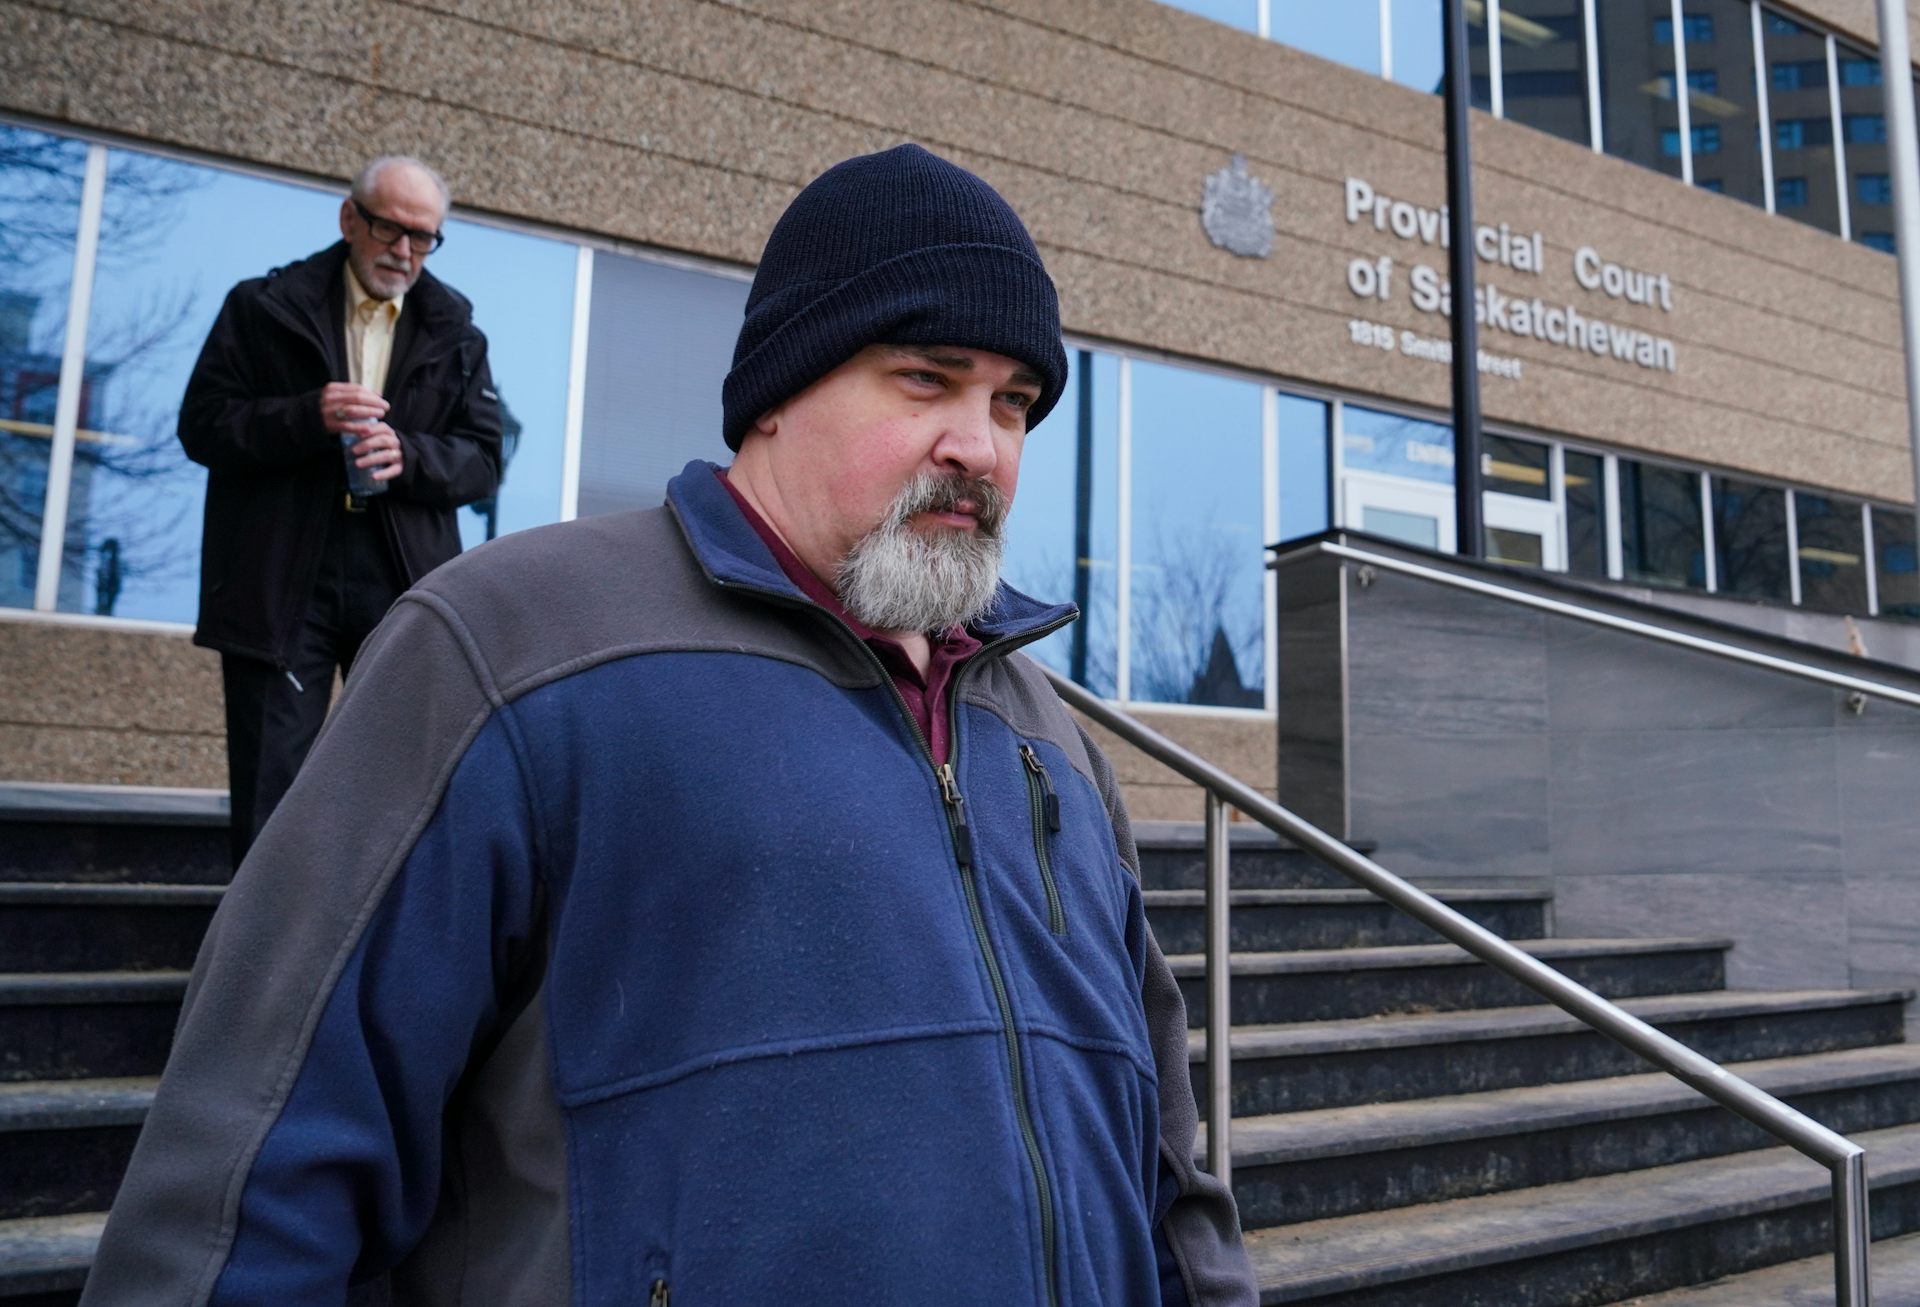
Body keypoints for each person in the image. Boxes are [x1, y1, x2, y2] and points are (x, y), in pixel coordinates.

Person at [85, 144, 1255, 1305]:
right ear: (779, 392)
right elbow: (248, 1182)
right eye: (927, 378)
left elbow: (1168, 1175)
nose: (981, 445)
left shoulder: (1052, 739)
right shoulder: (509, 648)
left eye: (1014, 402)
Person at [177, 154, 503, 866]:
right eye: (392, 230)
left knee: (402, 785)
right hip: (279, 576)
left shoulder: (458, 333)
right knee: (271, 787)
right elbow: (202, 426)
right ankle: (262, 969)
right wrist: (307, 416)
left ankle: (370, 964)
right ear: (350, 219)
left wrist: (409, 456)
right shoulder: (261, 308)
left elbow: (483, 458)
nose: (406, 252)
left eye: (425, 238)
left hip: (399, 580)